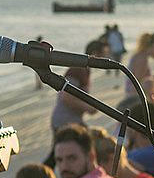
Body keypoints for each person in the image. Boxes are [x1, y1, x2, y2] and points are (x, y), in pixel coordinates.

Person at [43, 39, 107, 169]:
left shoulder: (85, 70)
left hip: (71, 119)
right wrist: (88, 108)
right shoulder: (78, 69)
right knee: (63, 155)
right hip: (64, 121)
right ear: (95, 54)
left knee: (58, 156)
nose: (107, 60)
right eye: (104, 56)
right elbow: (67, 97)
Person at [123, 32, 154, 101]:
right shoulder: (142, 59)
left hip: (133, 93)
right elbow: (138, 82)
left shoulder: (141, 55)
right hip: (135, 96)